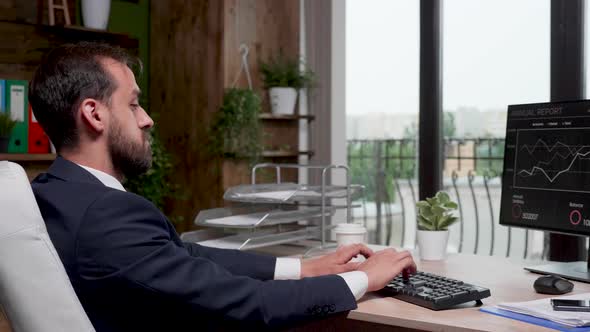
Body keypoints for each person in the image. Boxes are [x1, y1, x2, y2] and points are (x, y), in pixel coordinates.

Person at [29, 42, 416, 331]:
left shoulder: (53, 192)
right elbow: (252, 303)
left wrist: (304, 267)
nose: (146, 119)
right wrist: (365, 277)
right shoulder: (107, 215)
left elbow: (185, 255)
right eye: (133, 104)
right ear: (94, 114)